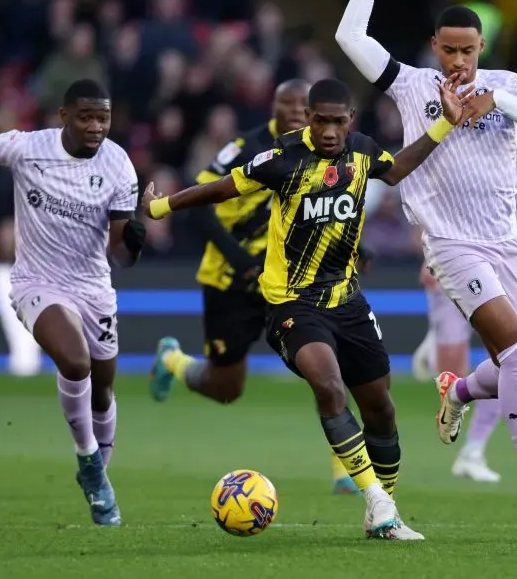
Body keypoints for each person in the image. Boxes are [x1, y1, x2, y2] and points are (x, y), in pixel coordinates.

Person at [142, 77, 470, 540]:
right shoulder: (282, 158)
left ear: (350, 120)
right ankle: (376, 500)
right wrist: (161, 209)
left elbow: (396, 170)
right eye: (321, 121)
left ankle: (384, 509)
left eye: (338, 121)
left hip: (347, 300)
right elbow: (221, 189)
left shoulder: (363, 151)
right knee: (328, 384)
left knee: (381, 409)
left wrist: (443, 128)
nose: (330, 131)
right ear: (309, 119)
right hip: (291, 300)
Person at [335, 0, 517, 521]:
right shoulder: (412, 85)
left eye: (469, 51)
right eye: (450, 50)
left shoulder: (509, 87)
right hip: (450, 244)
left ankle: (460, 390)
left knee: (510, 362)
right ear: (435, 47)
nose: (460, 61)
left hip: (504, 246)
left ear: (481, 47)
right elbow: (349, 37)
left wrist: (500, 103)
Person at [0, 79, 143, 527]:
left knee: (104, 388)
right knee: (76, 363)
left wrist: (133, 241)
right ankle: (90, 464)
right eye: (86, 117)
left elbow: (120, 253)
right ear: (63, 117)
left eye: (103, 118)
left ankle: (97, 479)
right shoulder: (26, 148)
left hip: (94, 287)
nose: (96, 126)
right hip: (38, 281)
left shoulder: (119, 166)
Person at [148, 79, 366, 494]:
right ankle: (173, 359)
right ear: (274, 106)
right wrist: (241, 260)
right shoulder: (244, 148)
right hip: (230, 281)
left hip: (288, 284)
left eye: (304, 106)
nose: (296, 112)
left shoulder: (322, 154)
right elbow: (203, 210)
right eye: (288, 104)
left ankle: (344, 470)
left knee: (329, 366)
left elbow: (327, 211)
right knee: (225, 388)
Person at [410, 79, 517, 485]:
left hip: (502, 260)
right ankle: (448, 374)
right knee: (458, 362)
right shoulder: (472, 133)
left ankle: (473, 446)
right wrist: (427, 251)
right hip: (457, 253)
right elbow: (423, 187)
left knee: (512, 359)